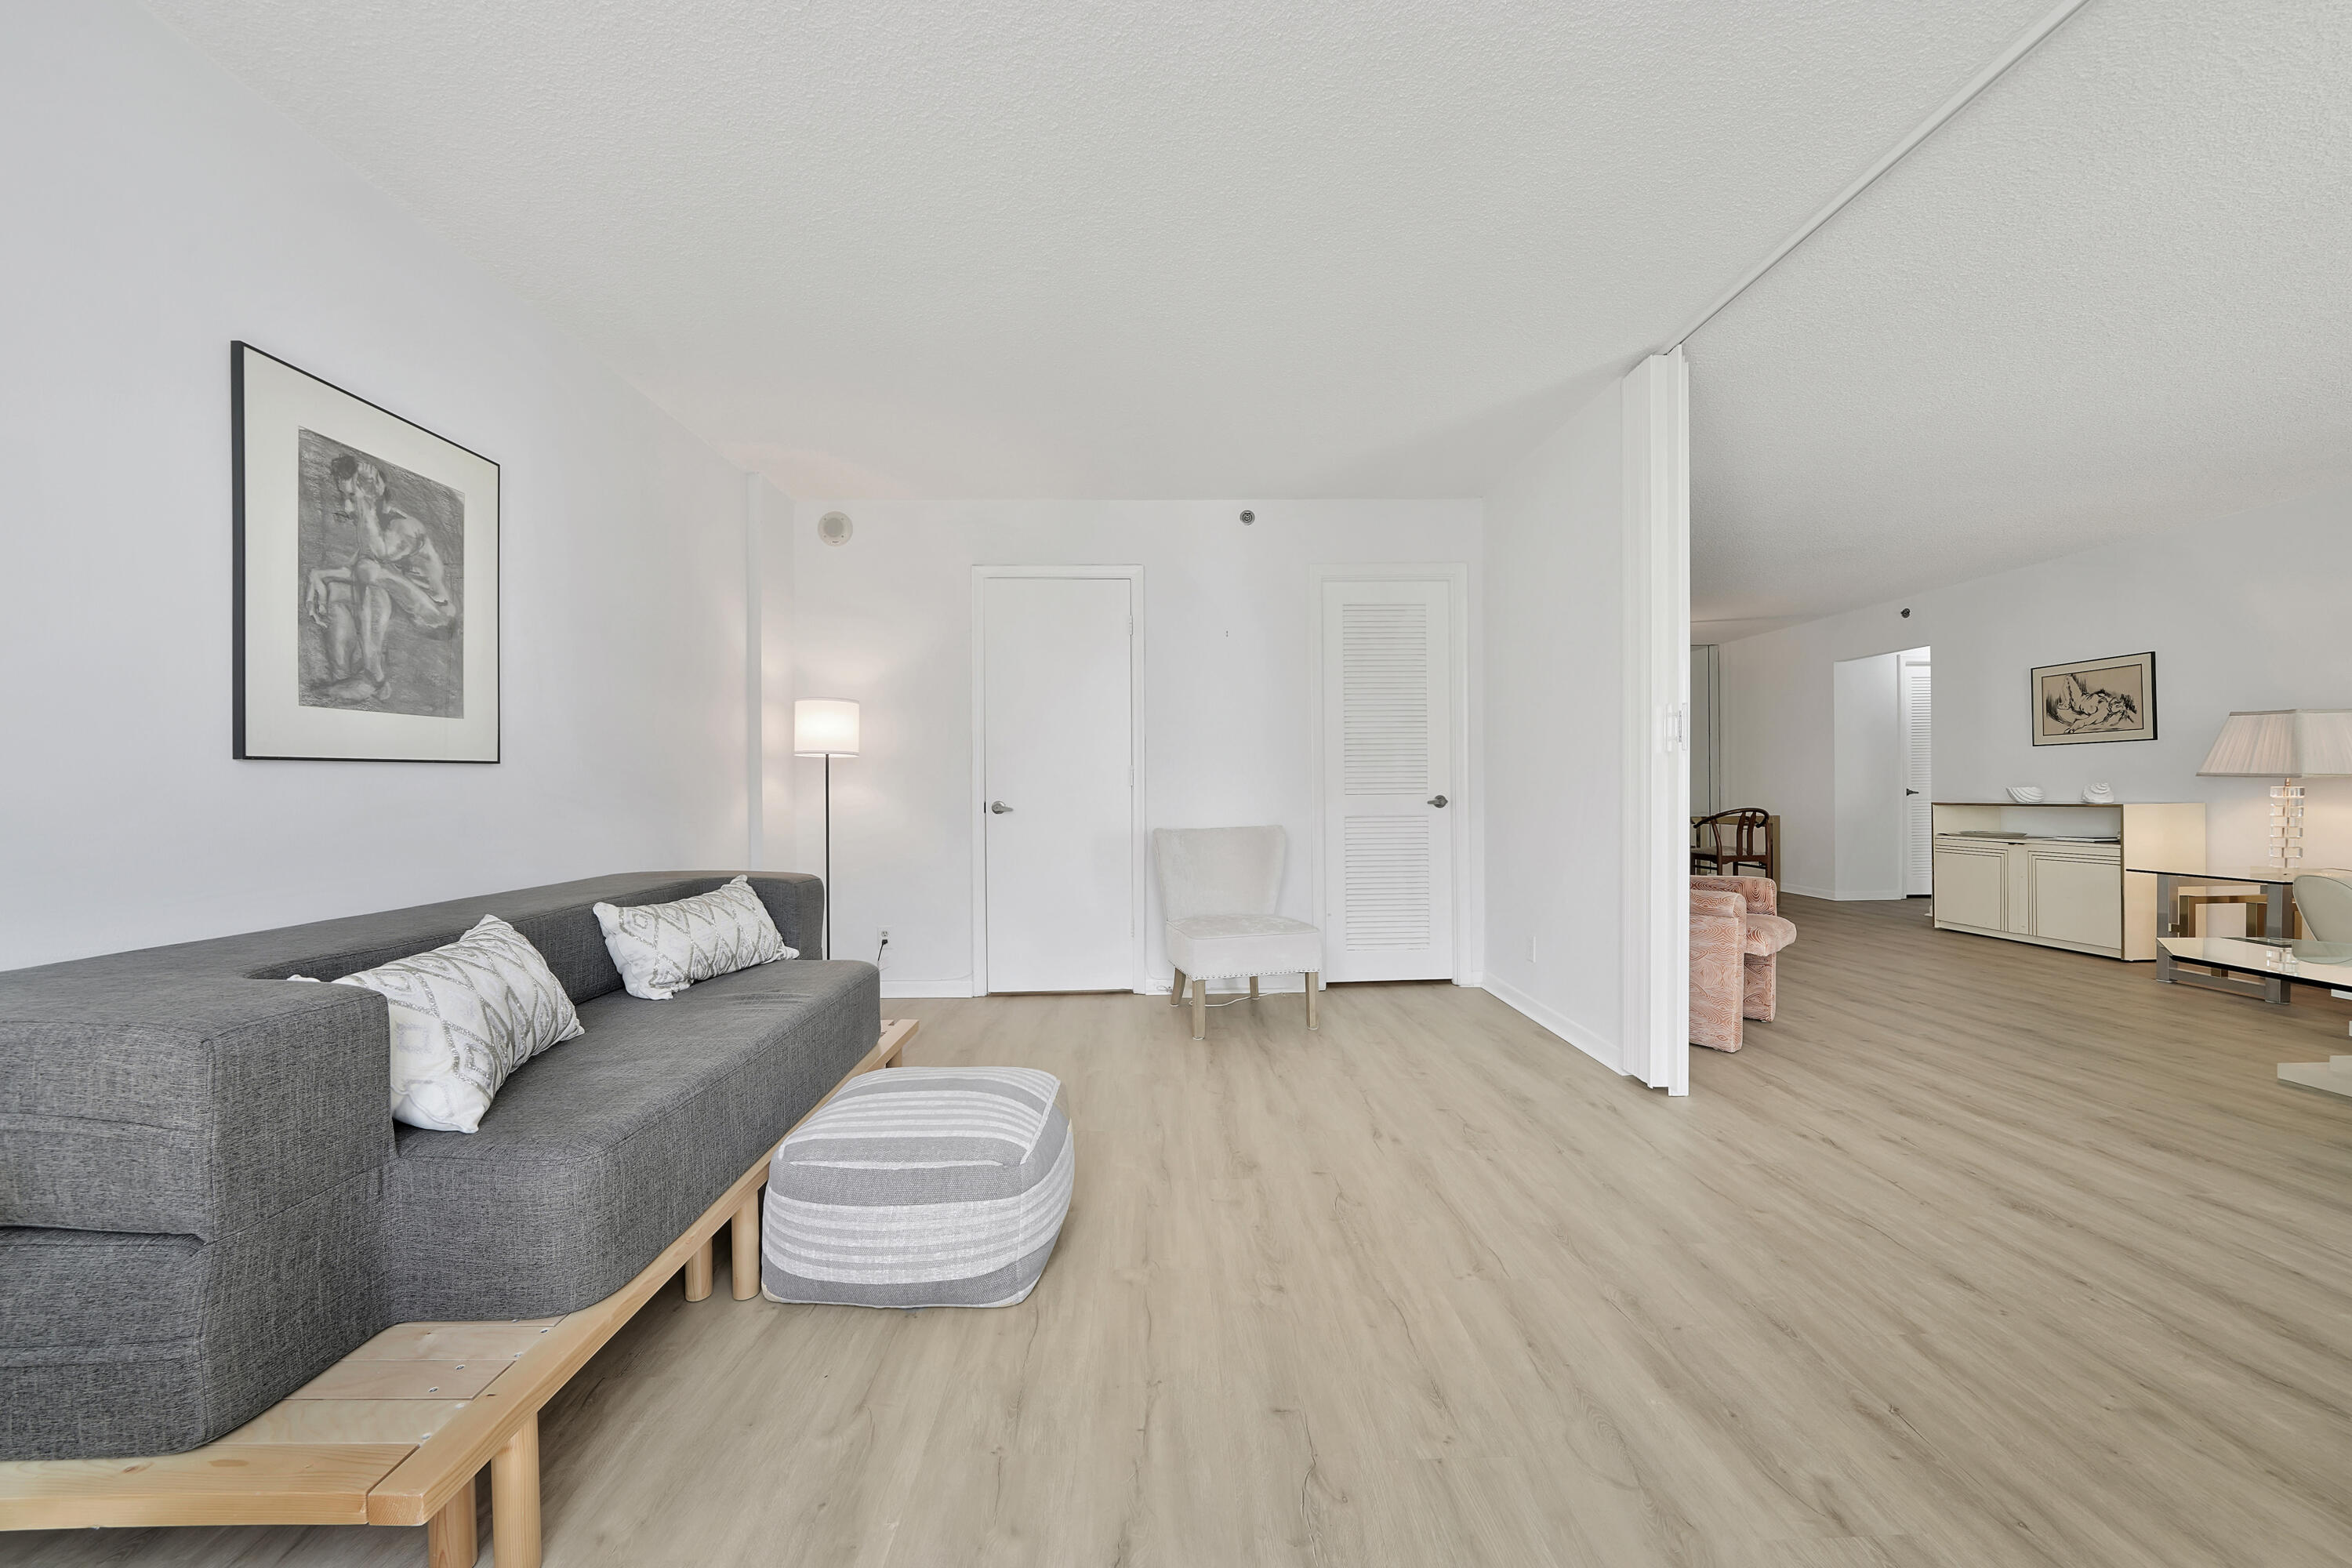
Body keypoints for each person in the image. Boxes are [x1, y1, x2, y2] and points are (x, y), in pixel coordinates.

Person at [304, 454, 456, 704]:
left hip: (436, 616)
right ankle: (342, 676)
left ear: (376, 492)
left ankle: (373, 677)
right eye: (345, 497)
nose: (347, 507)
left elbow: (374, 559)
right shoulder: (372, 531)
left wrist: (366, 500)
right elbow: (353, 571)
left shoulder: (404, 526)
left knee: (368, 570)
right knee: (335, 592)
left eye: (352, 497)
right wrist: (317, 575)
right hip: (403, 602)